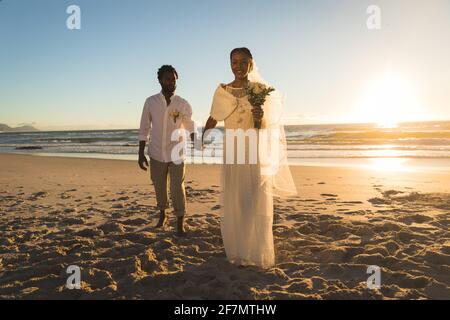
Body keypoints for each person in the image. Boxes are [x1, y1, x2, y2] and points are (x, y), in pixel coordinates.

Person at [202, 48, 297, 268]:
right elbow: (214, 117)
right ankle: (237, 249)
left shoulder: (259, 90)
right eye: (234, 62)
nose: (238, 66)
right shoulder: (222, 91)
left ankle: (254, 250)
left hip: (253, 150)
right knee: (234, 197)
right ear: (229, 64)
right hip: (232, 150)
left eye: (243, 62)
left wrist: (259, 117)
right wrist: (203, 136)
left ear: (250, 64)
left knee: (253, 199)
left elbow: (264, 127)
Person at [138, 65, 195, 237]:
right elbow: (144, 127)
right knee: (160, 186)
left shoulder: (182, 103)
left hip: (177, 152)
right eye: (168, 79)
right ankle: (162, 215)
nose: (171, 82)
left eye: (174, 79)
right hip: (156, 152)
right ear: (160, 80)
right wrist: (141, 153)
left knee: (177, 187)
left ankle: (180, 222)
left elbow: (190, 125)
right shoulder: (151, 102)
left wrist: (196, 140)